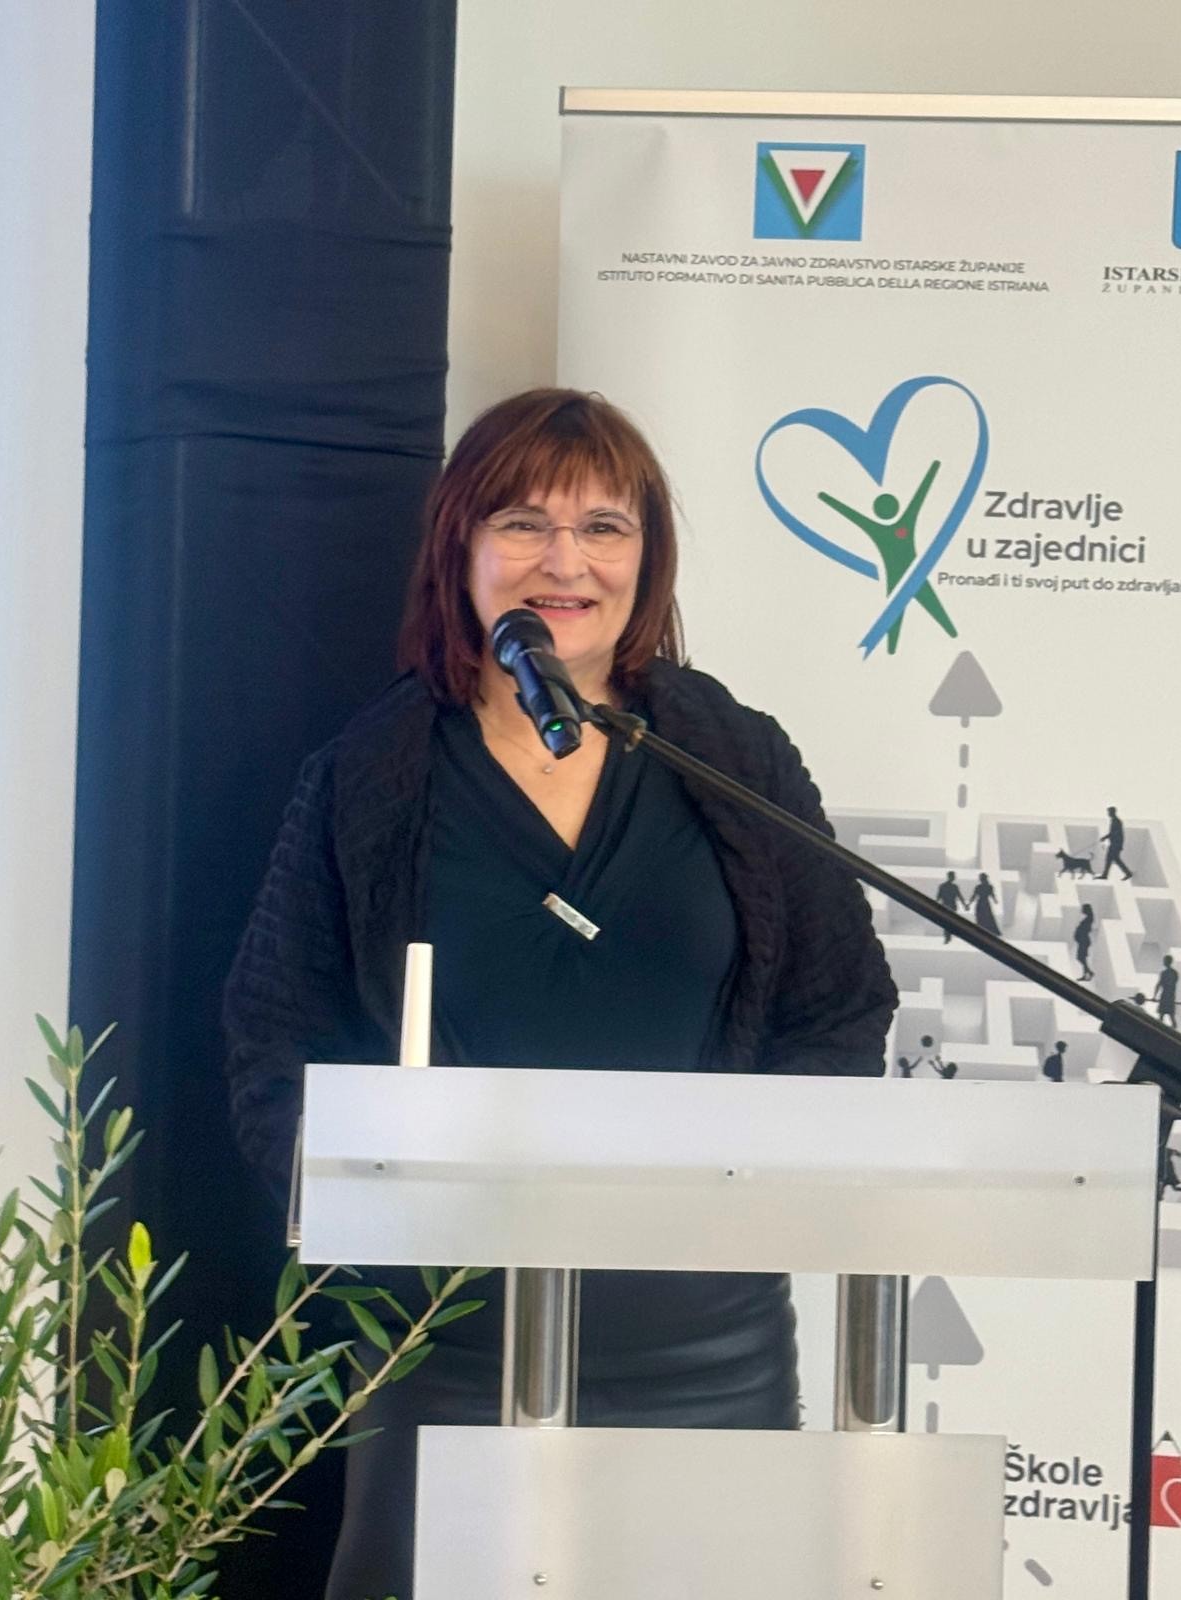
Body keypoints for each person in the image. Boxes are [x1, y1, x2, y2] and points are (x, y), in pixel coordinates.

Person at [223, 388, 897, 1600]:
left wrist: (736, 1193)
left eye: (603, 526)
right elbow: (274, 1042)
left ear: (648, 557)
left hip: (704, 1338)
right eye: (524, 522)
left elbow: (842, 1007)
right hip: (442, 1344)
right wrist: (383, 1212)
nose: (564, 562)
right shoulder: (369, 776)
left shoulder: (733, 756)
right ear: (461, 548)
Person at [968, 871, 1000, 936]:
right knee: (987, 917)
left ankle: (980, 931)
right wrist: (995, 900)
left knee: (981, 917)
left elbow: (974, 896)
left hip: (981, 903)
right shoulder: (989, 887)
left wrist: (968, 904)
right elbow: (992, 895)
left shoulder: (979, 887)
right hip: (985, 903)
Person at [1074, 903, 1096, 981]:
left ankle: (1088, 973)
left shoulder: (1089, 919)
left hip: (1084, 941)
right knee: (1082, 957)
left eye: (1083, 908)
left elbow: (1087, 929)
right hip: (1083, 940)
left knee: (1081, 957)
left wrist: (1078, 931)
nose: (1082, 910)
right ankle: (1088, 973)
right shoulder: (1088, 918)